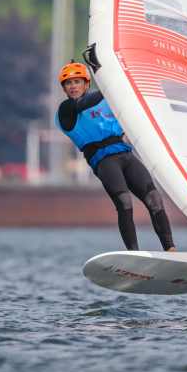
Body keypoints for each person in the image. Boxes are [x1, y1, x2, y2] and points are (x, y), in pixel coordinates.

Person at [55, 62, 176, 251]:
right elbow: (85, 103)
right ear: (64, 89)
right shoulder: (66, 110)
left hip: (126, 155)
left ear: (86, 84)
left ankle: (170, 249)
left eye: (77, 82)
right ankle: (134, 254)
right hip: (104, 162)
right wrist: (112, 86)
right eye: (68, 83)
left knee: (154, 198)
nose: (73, 86)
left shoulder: (106, 101)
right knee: (124, 202)